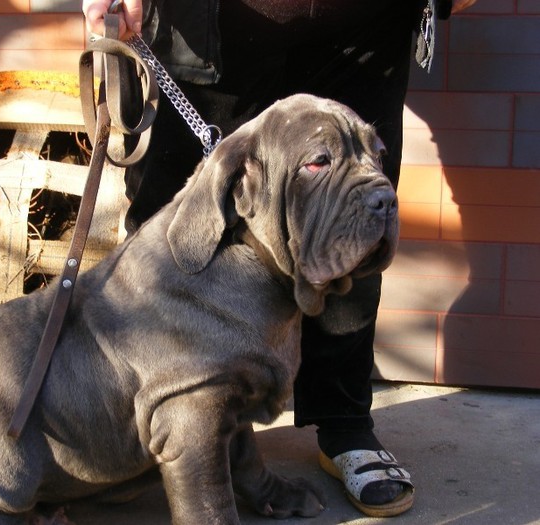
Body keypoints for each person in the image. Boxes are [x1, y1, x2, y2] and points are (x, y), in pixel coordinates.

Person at [82, 0, 477, 517]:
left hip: (364, 29)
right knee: (184, 238)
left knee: (348, 227)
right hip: (214, 25)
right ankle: (149, 424)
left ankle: (345, 426)